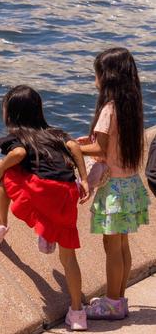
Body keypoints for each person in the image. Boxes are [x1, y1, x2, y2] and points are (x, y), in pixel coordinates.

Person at [0, 85, 90, 331]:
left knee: (7, 175)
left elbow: (17, 153)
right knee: (69, 258)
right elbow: (74, 148)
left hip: (44, 192)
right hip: (67, 192)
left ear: (12, 115)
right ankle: (78, 314)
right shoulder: (55, 133)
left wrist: (1, 167)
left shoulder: (18, 138)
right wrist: (84, 178)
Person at [79, 48, 150, 321]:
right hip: (130, 184)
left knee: (112, 248)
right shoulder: (132, 107)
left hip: (113, 191)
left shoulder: (109, 109)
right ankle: (119, 299)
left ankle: (111, 303)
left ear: (106, 76)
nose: (94, 79)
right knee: (123, 246)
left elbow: (100, 147)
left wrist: (71, 146)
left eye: (96, 73)